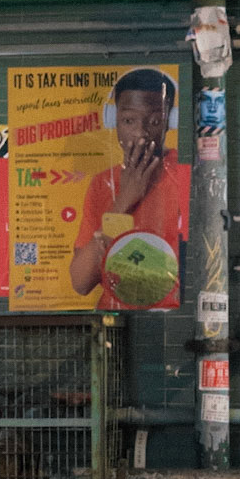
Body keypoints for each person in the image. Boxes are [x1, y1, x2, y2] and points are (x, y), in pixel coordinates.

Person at [69, 67, 186, 307]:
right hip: (115, 320)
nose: (141, 133)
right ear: (114, 121)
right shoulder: (103, 183)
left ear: (169, 123)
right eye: (129, 120)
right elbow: (81, 282)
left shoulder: (184, 177)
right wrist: (124, 200)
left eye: (154, 121)